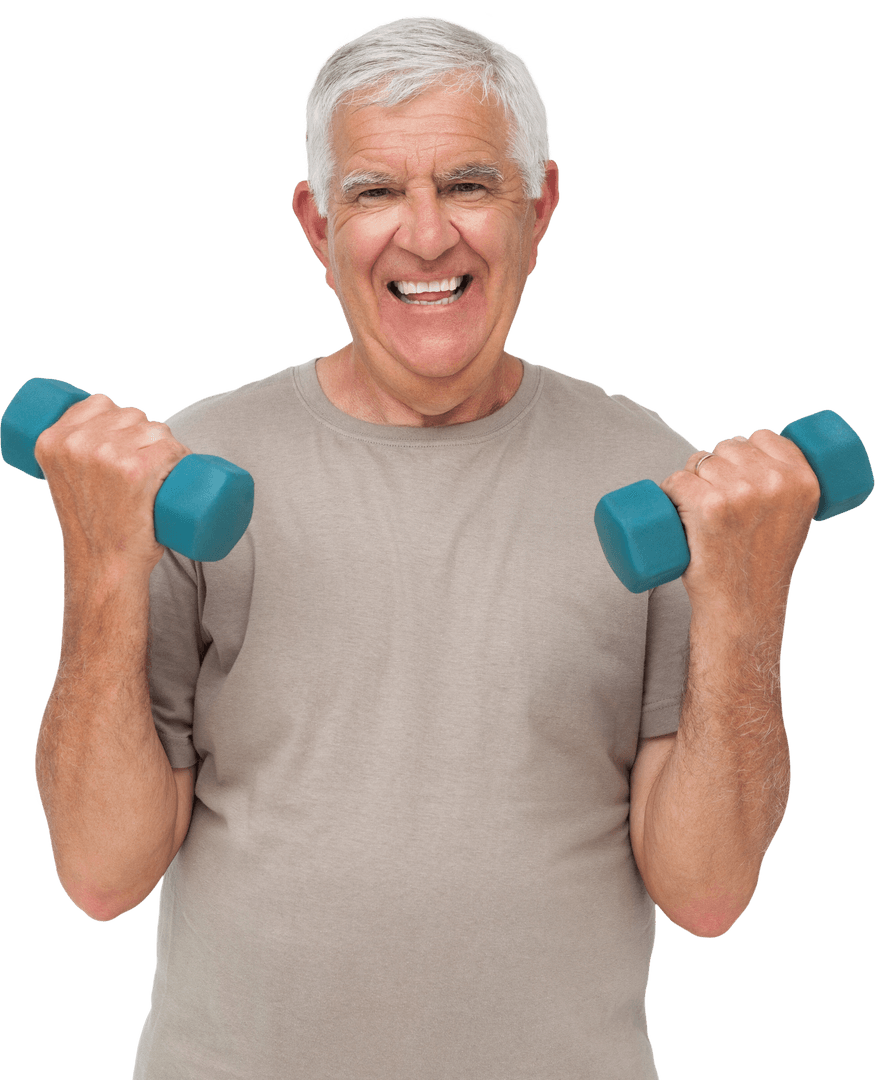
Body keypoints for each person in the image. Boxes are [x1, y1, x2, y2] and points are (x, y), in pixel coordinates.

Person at [31, 15, 820, 1079]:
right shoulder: (190, 470)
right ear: (316, 228)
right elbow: (99, 876)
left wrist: (744, 598)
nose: (425, 234)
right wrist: (101, 563)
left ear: (537, 207)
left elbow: (708, 895)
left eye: (467, 184)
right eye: (372, 192)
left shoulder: (658, 480)